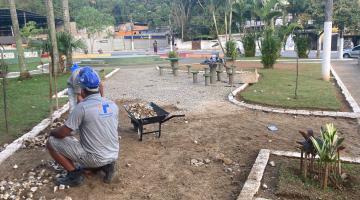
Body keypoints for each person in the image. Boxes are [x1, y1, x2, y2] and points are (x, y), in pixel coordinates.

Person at [47, 67, 119, 186]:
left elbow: (63, 133)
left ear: (82, 90)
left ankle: (74, 175)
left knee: (51, 142)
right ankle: (108, 166)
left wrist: (52, 132)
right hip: (113, 153)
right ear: (98, 87)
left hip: (95, 158)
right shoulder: (112, 104)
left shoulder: (82, 108)